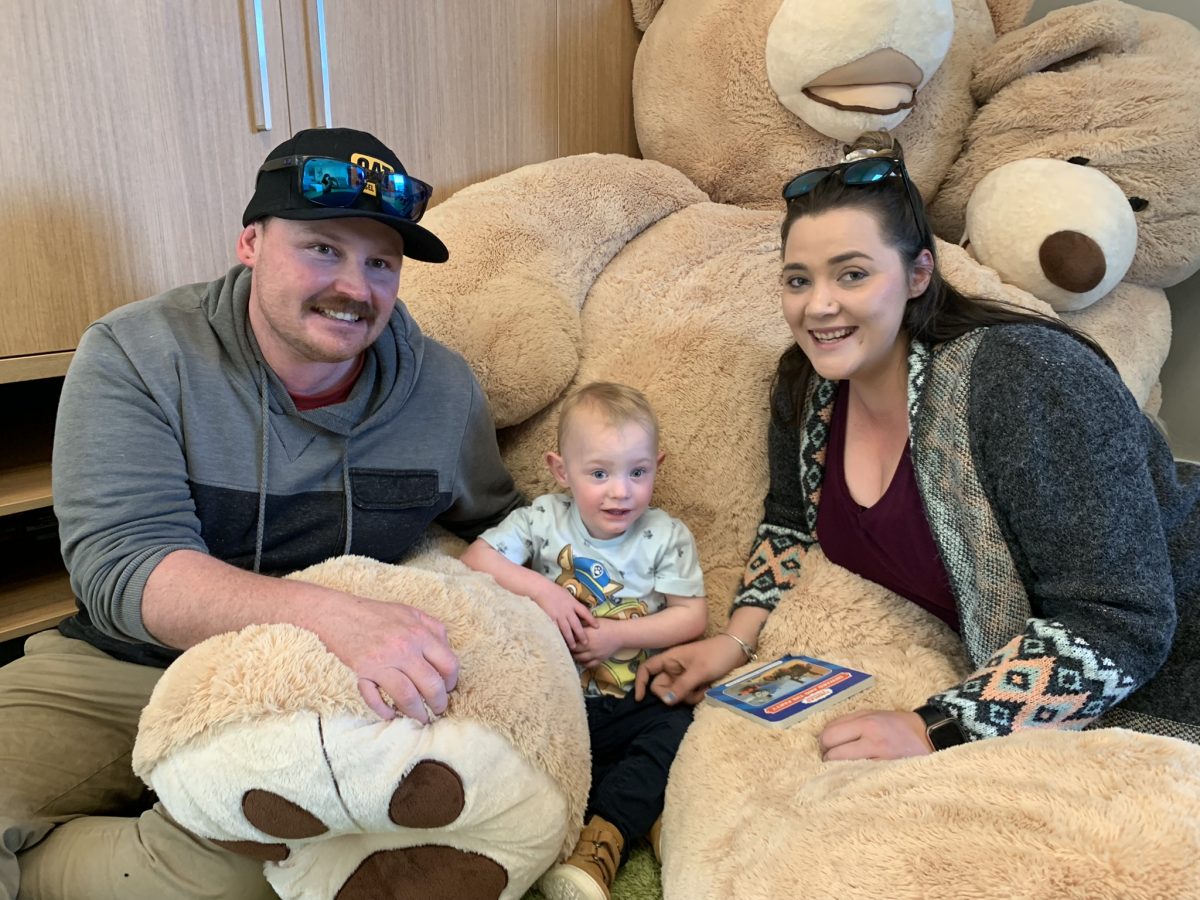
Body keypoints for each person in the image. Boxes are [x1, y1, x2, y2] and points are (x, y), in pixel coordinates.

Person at [0, 127, 523, 900]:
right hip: (121, 666)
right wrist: (333, 616)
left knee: (280, 875)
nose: (355, 286)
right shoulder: (135, 353)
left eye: (381, 262)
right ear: (251, 242)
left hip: (308, 695)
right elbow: (121, 566)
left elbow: (498, 523)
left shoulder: (444, 391)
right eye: (322, 248)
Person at [635, 132, 1199, 760]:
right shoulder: (806, 385)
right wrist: (734, 642)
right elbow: (790, 525)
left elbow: (1124, 620)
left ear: (918, 274)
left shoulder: (1026, 378)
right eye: (798, 280)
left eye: (852, 273)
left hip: (1175, 668)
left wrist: (937, 726)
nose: (818, 306)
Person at [461, 381, 707, 900]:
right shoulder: (544, 520)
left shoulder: (665, 535)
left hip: (638, 697)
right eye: (599, 474)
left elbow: (691, 618)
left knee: (682, 728)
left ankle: (606, 838)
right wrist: (543, 593)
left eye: (637, 472)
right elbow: (474, 561)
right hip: (562, 708)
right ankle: (641, 816)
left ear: (656, 466)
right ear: (560, 470)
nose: (621, 492)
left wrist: (619, 634)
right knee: (526, 759)